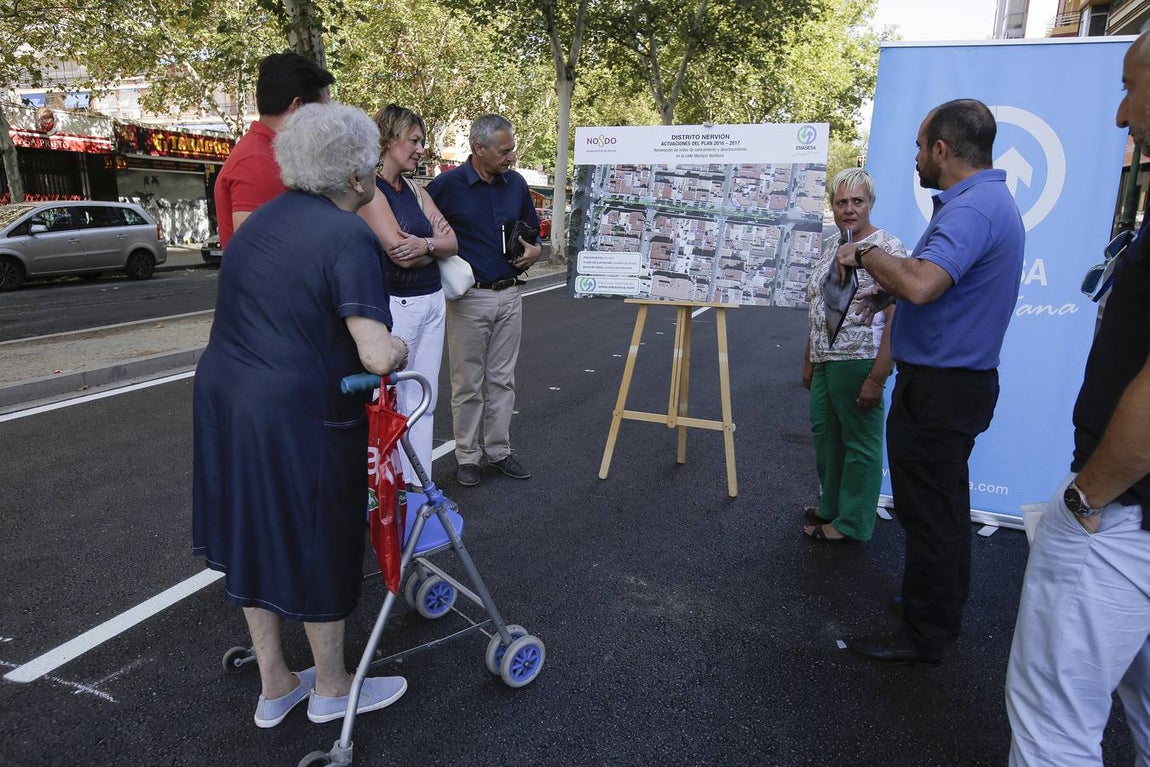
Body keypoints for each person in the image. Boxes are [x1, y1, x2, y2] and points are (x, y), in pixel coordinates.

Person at [193, 103, 410, 729]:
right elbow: (375, 353)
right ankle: (333, 688)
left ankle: (276, 683)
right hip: (299, 410)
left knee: (250, 532)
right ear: (355, 177)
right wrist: (400, 347)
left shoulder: (259, 222)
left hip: (226, 399)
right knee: (320, 536)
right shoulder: (348, 235)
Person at [834, 99, 1025, 665]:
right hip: (953, 383)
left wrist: (865, 252)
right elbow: (936, 288)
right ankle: (937, 608)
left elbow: (921, 284)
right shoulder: (982, 202)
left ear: (942, 149)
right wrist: (890, 291)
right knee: (939, 509)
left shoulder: (973, 209)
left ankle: (925, 632)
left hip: (943, 388)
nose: (916, 158)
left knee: (930, 514)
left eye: (920, 147)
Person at [1005, 32, 1150, 765]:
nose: (1122, 113)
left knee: (1052, 727)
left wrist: (1087, 497)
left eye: (1130, 85)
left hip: (1121, 516)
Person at [426, 114, 542, 487]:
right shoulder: (446, 187)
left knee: (503, 380)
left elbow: (532, 231)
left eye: (512, 150)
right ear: (479, 148)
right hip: (468, 298)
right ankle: (468, 457)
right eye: (504, 151)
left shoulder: (516, 184)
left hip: (510, 294)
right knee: (468, 383)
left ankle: (499, 451)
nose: (511, 156)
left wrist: (536, 251)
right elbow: (424, 229)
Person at [802, 168, 906, 544]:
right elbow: (819, 307)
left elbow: (898, 315)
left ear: (870, 203)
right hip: (825, 360)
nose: (849, 209)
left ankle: (852, 523)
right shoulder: (832, 245)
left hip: (860, 360)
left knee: (860, 443)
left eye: (857, 201)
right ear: (831, 206)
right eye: (841, 202)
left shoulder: (887, 247)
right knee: (827, 439)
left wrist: (877, 377)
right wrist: (809, 359)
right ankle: (831, 506)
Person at [359, 104, 458, 483]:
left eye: (422, 142)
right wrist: (432, 246)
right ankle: (391, 488)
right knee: (393, 402)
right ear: (388, 139)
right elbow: (397, 252)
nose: (421, 149)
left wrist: (425, 246)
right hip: (397, 305)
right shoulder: (370, 189)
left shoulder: (416, 189)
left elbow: (452, 242)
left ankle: (419, 487)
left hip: (432, 300)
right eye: (414, 141)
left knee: (424, 400)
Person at [213, 52, 334, 248]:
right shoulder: (257, 162)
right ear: (298, 106)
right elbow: (258, 253)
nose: (326, 122)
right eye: (323, 111)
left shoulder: (271, 153)